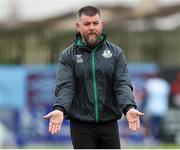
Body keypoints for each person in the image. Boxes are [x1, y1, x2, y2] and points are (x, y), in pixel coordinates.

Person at [43, 6, 144, 149]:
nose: (91, 27)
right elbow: (66, 86)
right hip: (81, 125)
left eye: (95, 23)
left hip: (109, 123)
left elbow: (122, 83)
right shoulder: (68, 55)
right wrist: (60, 108)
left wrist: (129, 107)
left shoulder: (116, 53)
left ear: (102, 24)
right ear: (78, 26)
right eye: (87, 24)